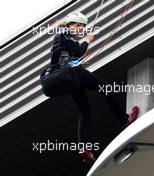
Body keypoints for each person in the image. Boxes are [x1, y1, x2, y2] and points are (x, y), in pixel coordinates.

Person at [49, 12, 139, 163]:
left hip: (68, 79)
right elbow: (78, 50)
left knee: (85, 112)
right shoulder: (64, 34)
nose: (80, 29)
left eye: (82, 27)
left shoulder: (61, 38)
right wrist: (87, 40)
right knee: (106, 89)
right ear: (71, 25)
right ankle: (124, 120)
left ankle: (84, 147)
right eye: (78, 26)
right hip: (73, 74)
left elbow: (69, 55)